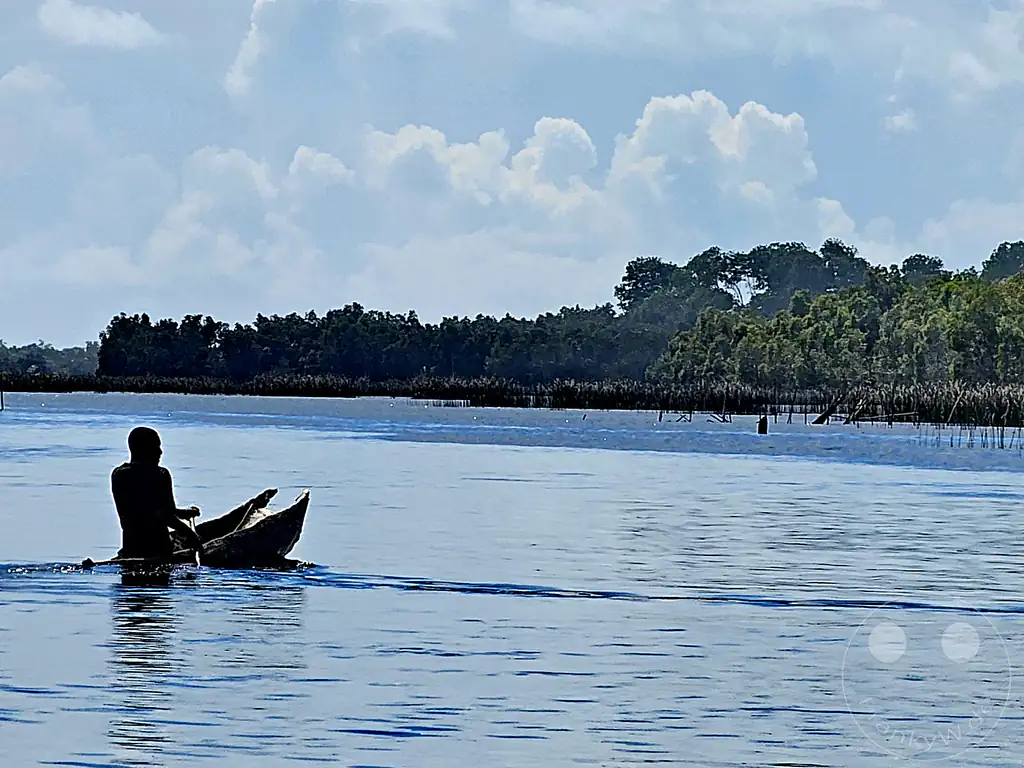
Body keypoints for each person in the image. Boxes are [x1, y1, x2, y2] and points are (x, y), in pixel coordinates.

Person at [111, 427, 205, 561]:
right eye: (156, 447)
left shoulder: (119, 475)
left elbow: (144, 509)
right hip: (160, 550)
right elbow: (164, 515)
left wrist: (182, 513)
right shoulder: (160, 475)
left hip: (131, 549)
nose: (160, 452)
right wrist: (191, 536)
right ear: (142, 449)